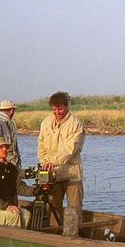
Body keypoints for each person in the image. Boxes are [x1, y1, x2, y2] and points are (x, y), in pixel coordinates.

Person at [37, 92, 85, 237]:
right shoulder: (45, 123)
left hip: (72, 174)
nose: (57, 113)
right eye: (54, 109)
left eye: (60, 109)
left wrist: (53, 162)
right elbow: (41, 147)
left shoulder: (76, 125)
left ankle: (75, 237)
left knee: (74, 209)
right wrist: (45, 163)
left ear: (67, 106)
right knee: (53, 207)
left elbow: (71, 149)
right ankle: (54, 236)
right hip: (53, 175)